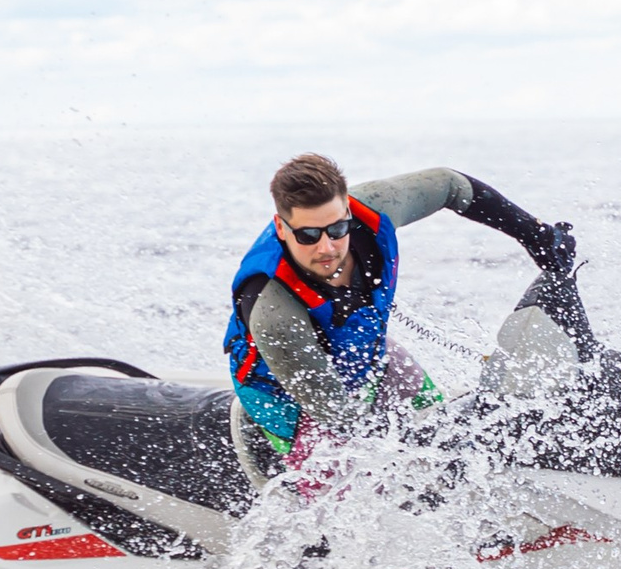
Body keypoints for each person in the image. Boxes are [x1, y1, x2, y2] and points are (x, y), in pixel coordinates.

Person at [223, 152, 583, 459]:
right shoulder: (274, 312)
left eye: (336, 229)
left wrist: (534, 235)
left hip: (365, 353)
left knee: (440, 428)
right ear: (281, 228)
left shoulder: (373, 209)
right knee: (350, 490)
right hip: (290, 396)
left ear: (348, 210)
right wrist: (408, 449)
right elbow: (342, 420)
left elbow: (450, 185)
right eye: (307, 235)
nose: (327, 248)